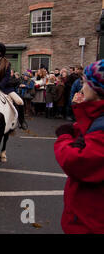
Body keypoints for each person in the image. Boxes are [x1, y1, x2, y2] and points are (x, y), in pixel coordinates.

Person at [54, 59, 104, 234]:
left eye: (85, 83)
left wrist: (65, 137)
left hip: (90, 221)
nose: (82, 88)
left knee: (17, 103)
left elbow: (78, 161)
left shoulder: (5, 65)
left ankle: (18, 120)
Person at [0, 42, 27, 129]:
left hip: (5, 88)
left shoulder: (6, 63)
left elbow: (6, 78)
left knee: (20, 101)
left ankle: (22, 121)